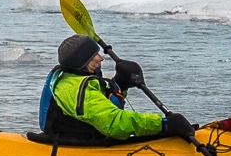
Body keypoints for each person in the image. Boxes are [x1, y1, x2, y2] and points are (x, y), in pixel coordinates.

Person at [40, 34, 197, 145]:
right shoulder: (77, 89)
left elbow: (104, 107)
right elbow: (114, 124)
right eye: (95, 55)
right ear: (83, 61)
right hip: (78, 147)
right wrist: (163, 124)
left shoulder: (71, 79)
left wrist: (120, 85)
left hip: (82, 139)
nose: (101, 58)